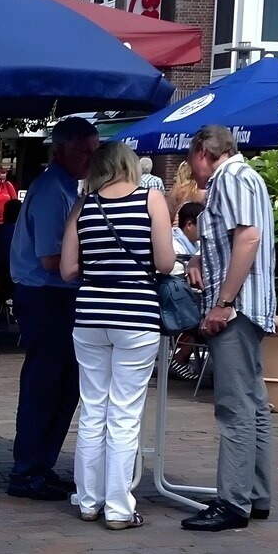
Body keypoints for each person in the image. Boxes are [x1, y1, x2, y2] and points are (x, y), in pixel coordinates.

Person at [60, 142, 174, 530]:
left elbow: (67, 270)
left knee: (92, 409)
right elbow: (165, 261)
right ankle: (119, 508)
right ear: (129, 165)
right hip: (136, 315)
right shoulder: (151, 199)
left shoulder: (83, 206)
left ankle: (88, 500)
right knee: (124, 414)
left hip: (90, 315)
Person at [181, 125, 276, 532]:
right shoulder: (245, 176)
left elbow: (248, 238)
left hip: (237, 309)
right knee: (252, 402)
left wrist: (223, 303)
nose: (190, 169)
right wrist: (202, 257)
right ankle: (254, 494)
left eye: (190, 159)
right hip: (250, 306)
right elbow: (239, 236)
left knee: (235, 406)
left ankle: (233, 501)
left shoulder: (230, 178)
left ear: (204, 151)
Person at [7, 116, 99, 501]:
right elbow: (50, 259)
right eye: (85, 151)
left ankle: (40, 466)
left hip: (57, 295)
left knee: (63, 388)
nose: (91, 159)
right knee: (46, 386)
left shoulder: (66, 188)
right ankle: (28, 470)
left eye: (95, 151)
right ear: (62, 148)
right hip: (47, 297)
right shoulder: (51, 192)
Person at [169, 201, 205, 381]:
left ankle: (180, 357)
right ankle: (180, 358)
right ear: (189, 224)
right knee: (203, 317)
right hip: (175, 301)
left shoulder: (195, 246)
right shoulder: (175, 244)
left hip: (188, 298)